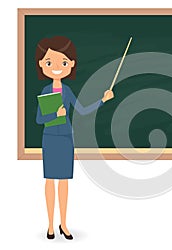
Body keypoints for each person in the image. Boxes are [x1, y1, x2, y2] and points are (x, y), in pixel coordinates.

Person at [35, 36, 114, 240]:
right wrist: (56, 115)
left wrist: (103, 100)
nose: (56, 68)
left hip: (65, 140)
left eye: (63, 63)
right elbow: (38, 119)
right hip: (50, 138)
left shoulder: (67, 91)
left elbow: (82, 110)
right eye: (50, 63)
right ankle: (50, 225)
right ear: (42, 65)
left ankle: (64, 223)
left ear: (71, 64)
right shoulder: (45, 91)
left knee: (64, 182)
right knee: (49, 180)